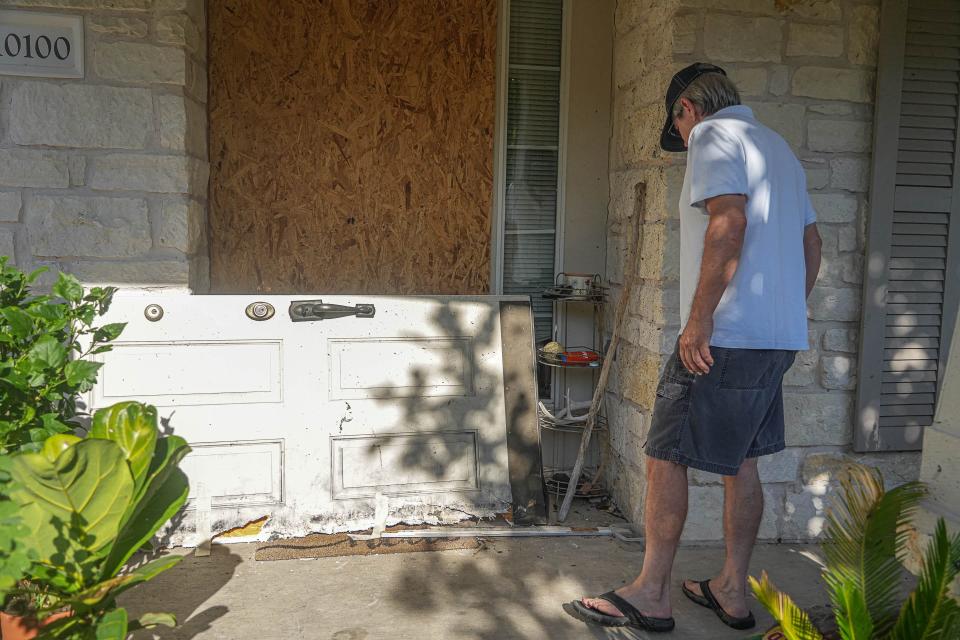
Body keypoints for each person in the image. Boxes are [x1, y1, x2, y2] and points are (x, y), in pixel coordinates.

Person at [568, 62, 823, 633]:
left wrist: (699, 321)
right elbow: (812, 244)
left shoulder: (714, 133)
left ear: (687, 109)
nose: (684, 142)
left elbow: (727, 224)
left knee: (665, 456)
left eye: (678, 129)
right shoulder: (777, 147)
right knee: (743, 461)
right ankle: (733, 588)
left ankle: (651, 593)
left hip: (726, 336)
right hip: (774, 339)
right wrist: (782, 312)